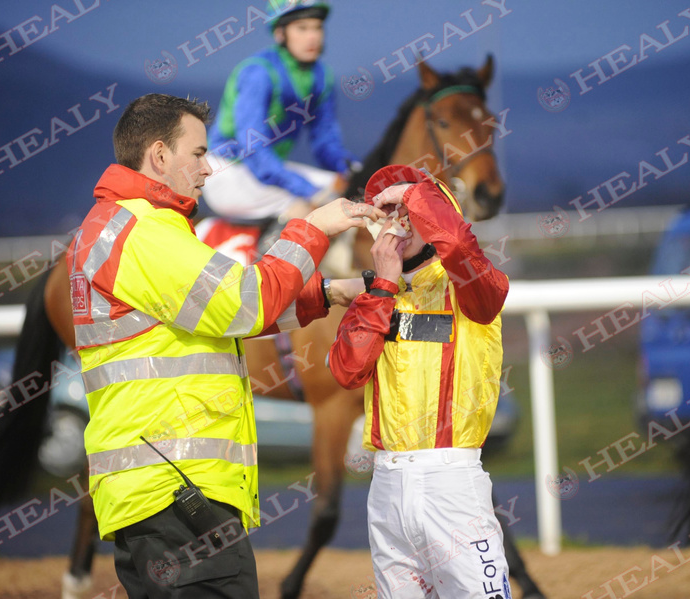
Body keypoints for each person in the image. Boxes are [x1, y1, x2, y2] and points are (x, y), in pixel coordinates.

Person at [68, 93, 384, 599]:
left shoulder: (131, 225)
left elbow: (216, 317)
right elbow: (242, 305)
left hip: (162, 483)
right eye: (197, 153)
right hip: (174, 482)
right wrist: (315, 228)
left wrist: (324, 293)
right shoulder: (142, 231)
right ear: (159, 155)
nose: (209, 168)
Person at [328, 165, 513, 598]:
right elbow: (347, 371)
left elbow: (458, 242)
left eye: (410, 213)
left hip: (451, 485)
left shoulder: (472, 285)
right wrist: (382, 286)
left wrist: (414, 192)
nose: (400, 222)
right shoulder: (377, 292)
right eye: (390, 213)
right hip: (387, 486)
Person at [202, 0, 359, 224]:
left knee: (349, 191)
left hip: (269, 168)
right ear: (280, 34)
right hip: (228, 170)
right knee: (306, 206)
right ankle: (270, 258)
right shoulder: (258, 73)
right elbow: (252, 148)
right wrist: (306, 189)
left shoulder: (323, 76)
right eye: (302, 28)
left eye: (317, 27)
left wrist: (352, 169)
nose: (312, 36)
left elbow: (326, 142)